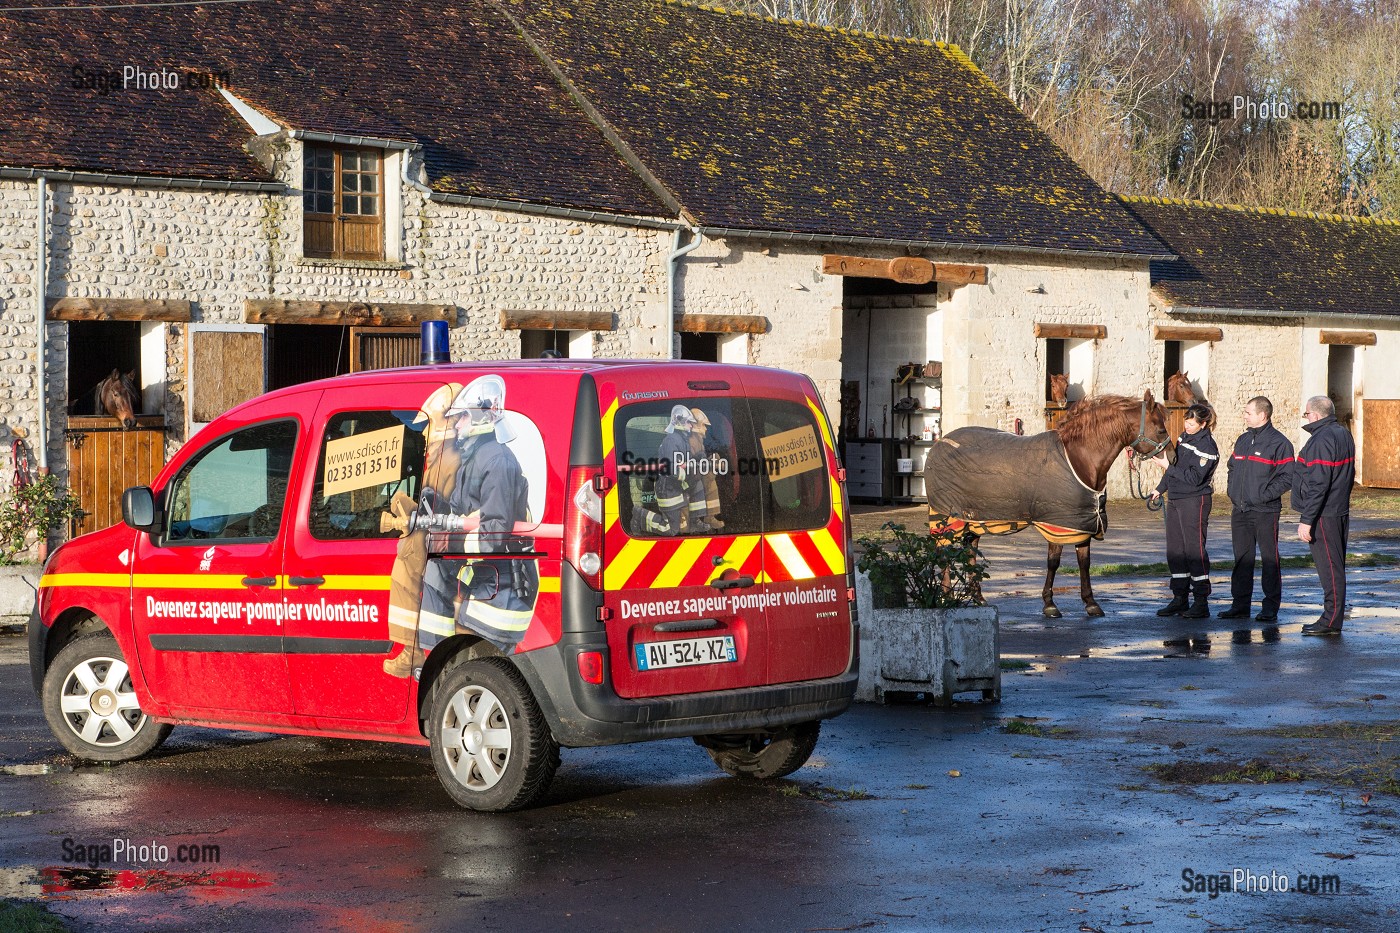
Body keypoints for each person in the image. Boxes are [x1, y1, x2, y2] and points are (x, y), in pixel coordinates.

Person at [1221, 396, 1294, 623]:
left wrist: (1263, 496)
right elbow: (1232, 467)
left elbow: (1287, 477)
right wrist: (1233, 492)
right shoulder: (1243, 440)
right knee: (1242, 559)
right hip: (1240, 510)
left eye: (1248, 413)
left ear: (1262, 415)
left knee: (1269, 559)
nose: (1244, 416)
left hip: (1265, 512)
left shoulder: (1280, 443)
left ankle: (1270, 607)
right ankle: (1240, 605)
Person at [1292, 395, 1356, 636]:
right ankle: (1332, 617)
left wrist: (1307, 520)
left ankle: (1331, 620)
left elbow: (1319, 484)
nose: (1306, 418)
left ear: (1316, 415)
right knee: (1334, 567)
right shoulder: (1342, 433)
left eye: (1307, 414)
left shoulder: (1322, 439)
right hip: (1336, 509)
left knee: (1330, 569)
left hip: (1325, 514)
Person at [1150, 403, 1220, 619]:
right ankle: (1180, 598)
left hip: (1194, 500)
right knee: (1175, 550)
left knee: (1194, 551)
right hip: (1176, 499)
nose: (1187, 426)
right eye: (1186, 422)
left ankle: (1201, 601)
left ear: (1203, 424)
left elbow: (1193, 478)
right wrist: (1160, 489)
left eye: (1191, 423)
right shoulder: (1182, 438)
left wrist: (1167, 467)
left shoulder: (1208, 447)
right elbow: (1174, 464)